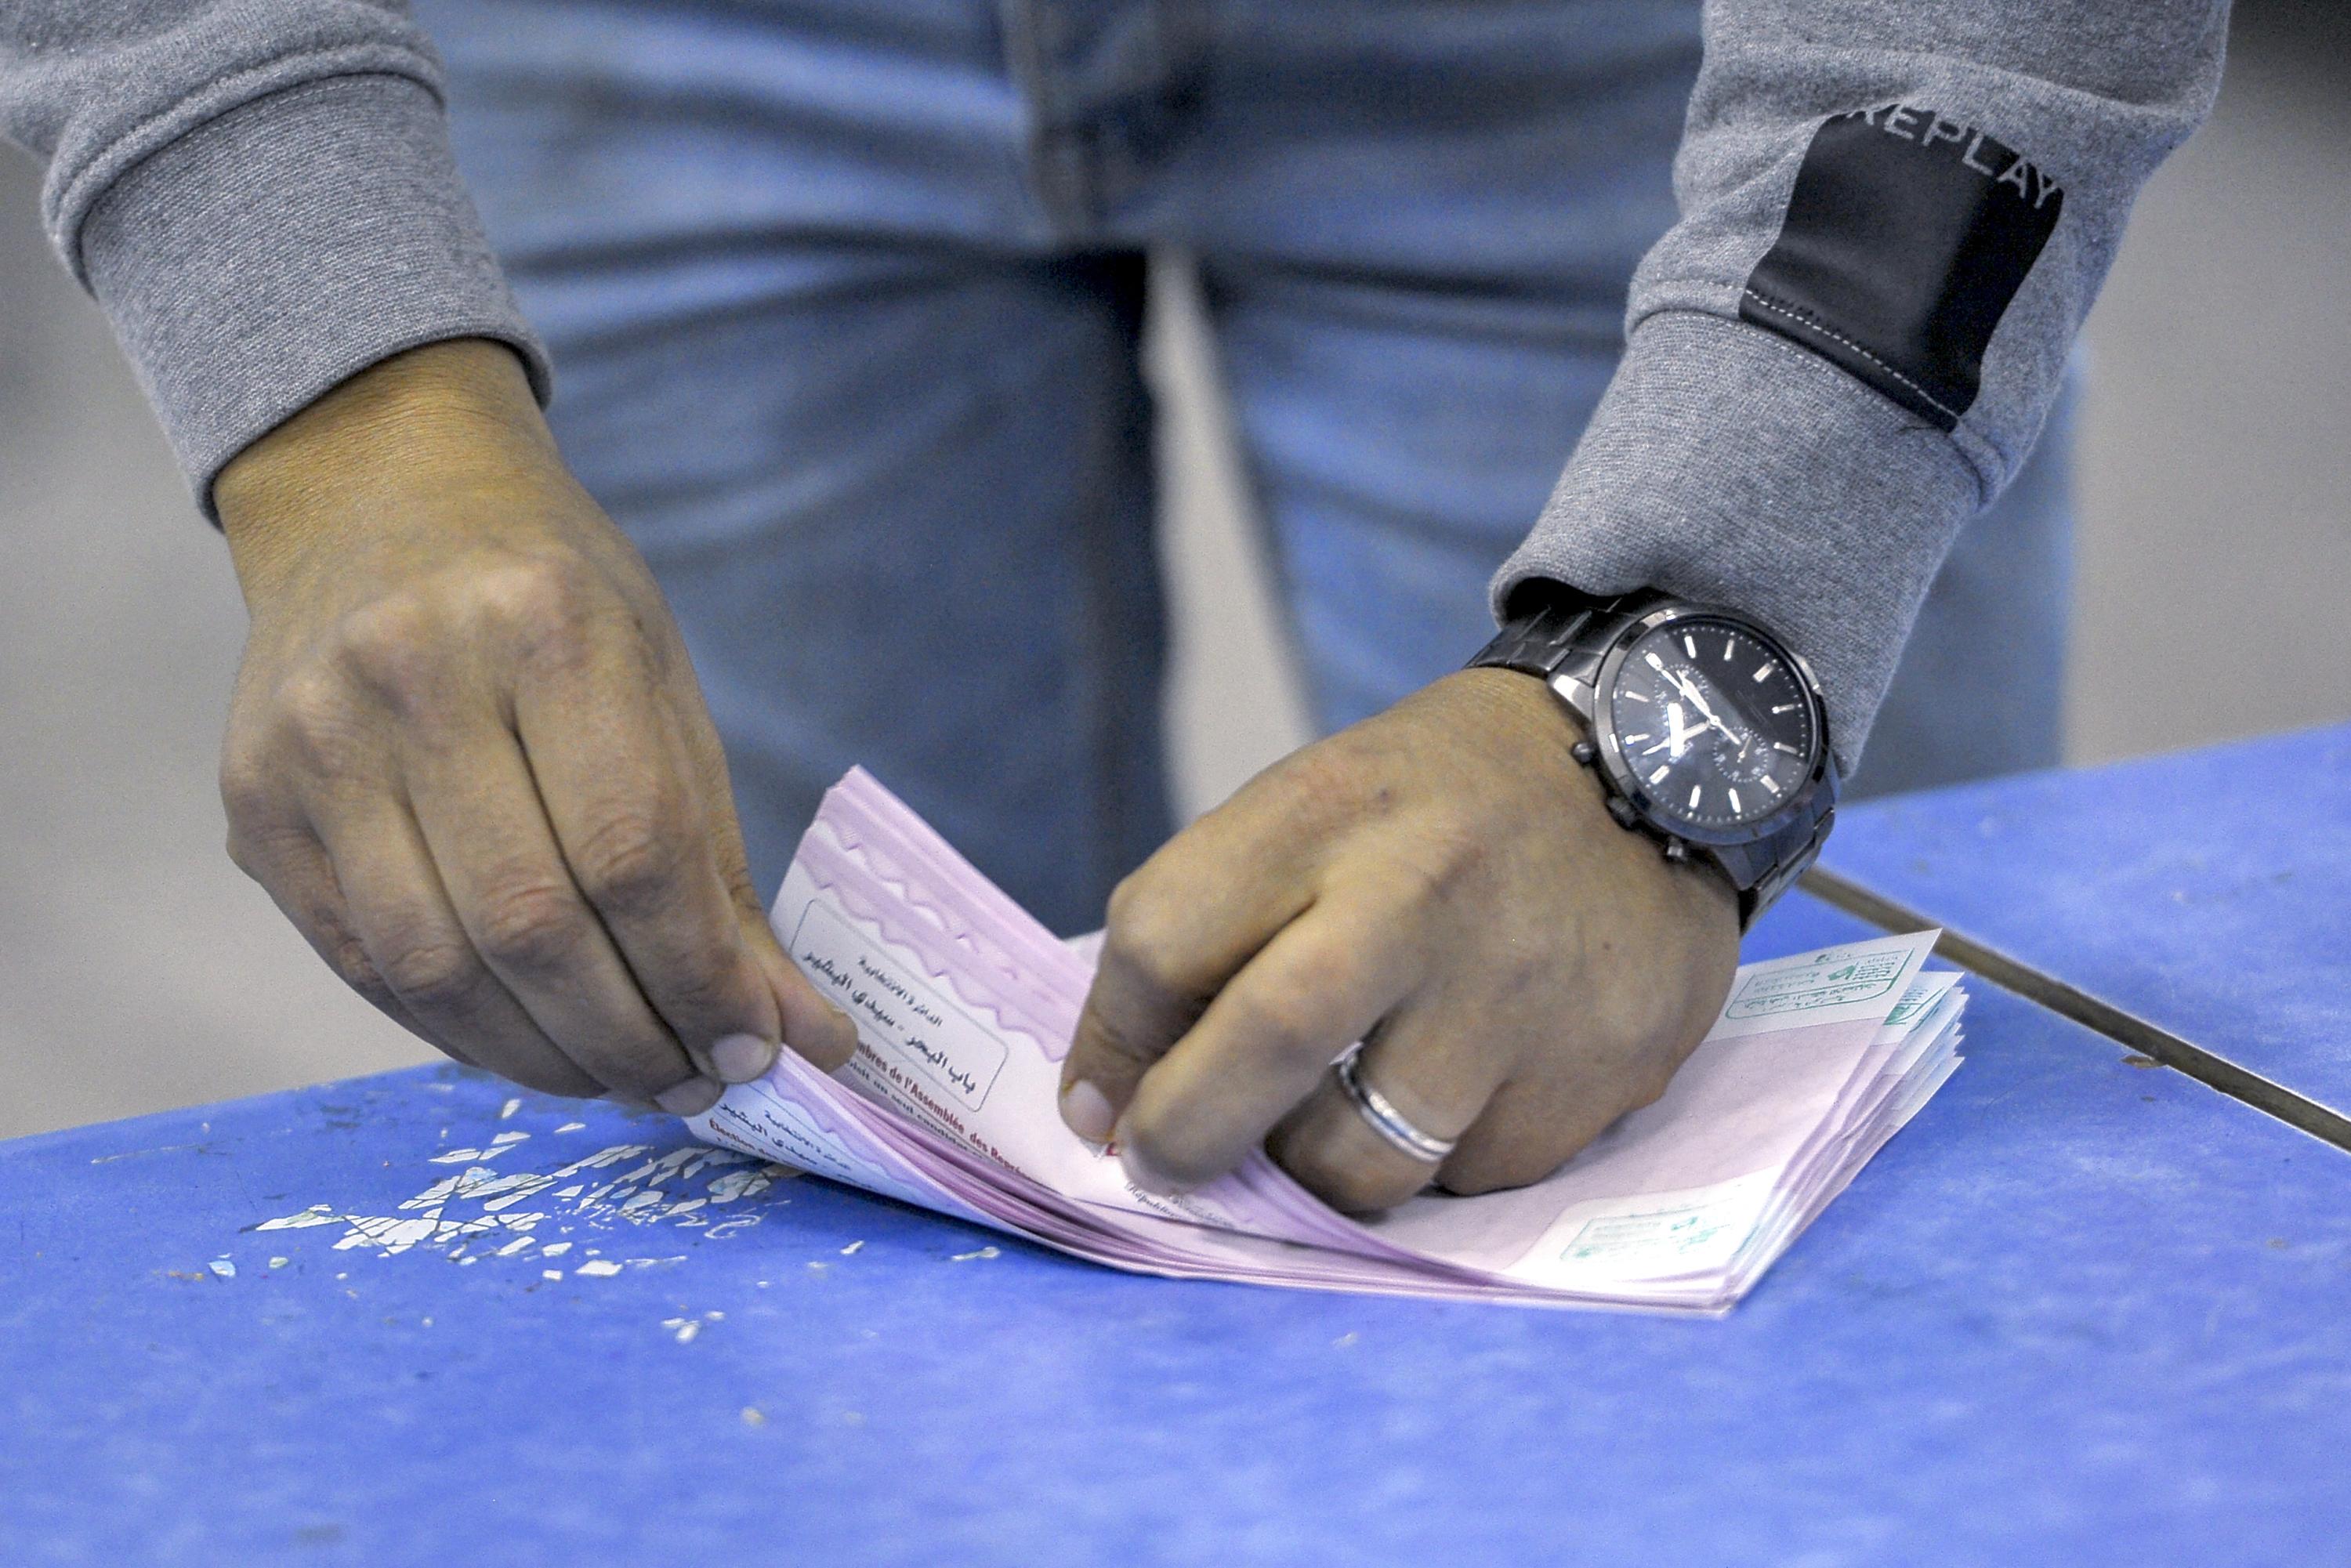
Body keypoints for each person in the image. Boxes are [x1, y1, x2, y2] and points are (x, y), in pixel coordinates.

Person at [2, 1, 2224, 1213]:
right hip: (658, 62)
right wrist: (328, 375)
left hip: (1631, 73)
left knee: (1772, 1329)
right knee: (850, 1261)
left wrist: (1690, 639)